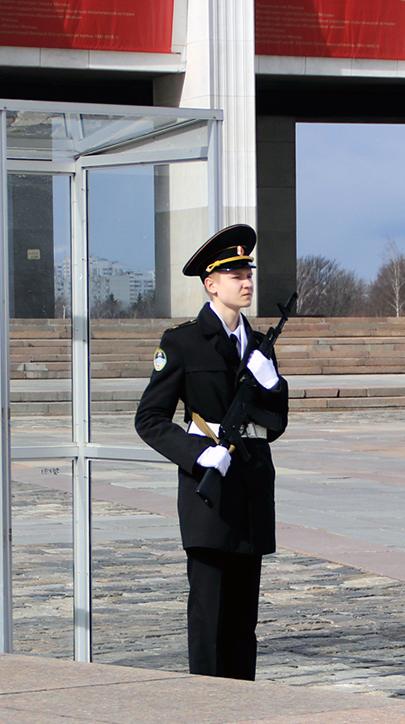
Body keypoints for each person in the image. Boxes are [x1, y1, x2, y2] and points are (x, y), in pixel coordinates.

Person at [134, 224, 289, 680]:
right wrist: (198, 453)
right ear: (211, 284)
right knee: (209, 615)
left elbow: (276, 424)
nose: (246, 282)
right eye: (235, 275)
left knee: (243, 620)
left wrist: (273, 385)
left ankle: (243, 700)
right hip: (210, 492)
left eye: (248, 274)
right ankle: (205, 703)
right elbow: (149, 418)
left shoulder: (259, 345)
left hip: (251, 488)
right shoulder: (181, 342)